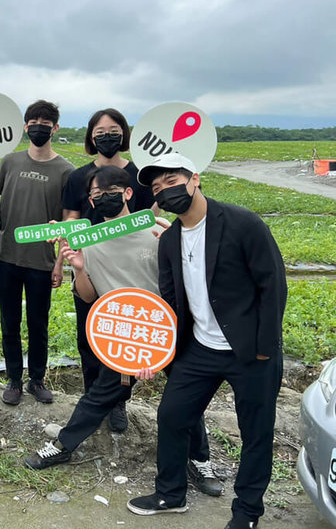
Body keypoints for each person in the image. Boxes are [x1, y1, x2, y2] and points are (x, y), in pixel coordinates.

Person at [24, 166, 222, 499]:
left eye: (109, 192)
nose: (102, 199)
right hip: (123, 332)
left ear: (128, 193)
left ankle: (199, 459)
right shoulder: (88, 241)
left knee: (185, 396)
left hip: (167, 329)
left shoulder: (157, 229)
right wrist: (79, 267)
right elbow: (88, 297)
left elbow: (188, 283)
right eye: (95, 196)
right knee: (101, 392)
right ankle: (63, 444)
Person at [127, 153, 286, 529]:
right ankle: (170, 493)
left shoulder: (242, 223)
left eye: (171, 181)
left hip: (251, 350)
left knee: (256, 432)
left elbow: (273, 285)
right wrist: (158, 351)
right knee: (172, 415)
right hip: (199, 348)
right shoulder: (169, 241)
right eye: (156, 188)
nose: (165, 191)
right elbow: (168, 302)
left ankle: (247, 512)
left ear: (194, 179)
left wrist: (265, 347)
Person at [62, 108, 157, 432]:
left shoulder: (139, 174)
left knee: (128, 338)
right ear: (91, 136)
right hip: (92, 263)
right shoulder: (78, 176)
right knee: (91, 339)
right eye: (100, 131)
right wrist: (68, 254)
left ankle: (118, 401)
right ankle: (95, 397)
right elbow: (70, 218)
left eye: (113, 130)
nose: (106, 136)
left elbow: (149, 215)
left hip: (131, 268)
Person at [0, 100, 74, 405]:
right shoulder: (10, 162)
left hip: (42, 261)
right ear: (26, 126)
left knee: (39, 323)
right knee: (9, 321)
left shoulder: (66, 171)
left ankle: (37, 379)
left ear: (55, 128)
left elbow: (68, 223)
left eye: (45, 123)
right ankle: (13, 379)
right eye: (33, 121)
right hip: (6, 255)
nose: (39, 127)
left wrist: (60, 264)